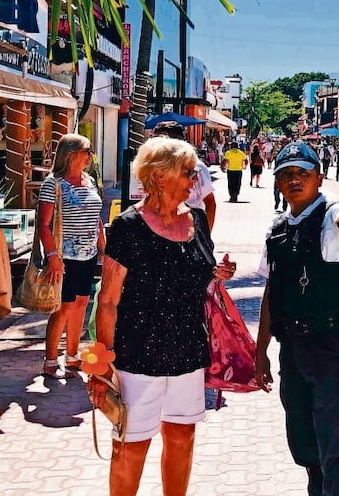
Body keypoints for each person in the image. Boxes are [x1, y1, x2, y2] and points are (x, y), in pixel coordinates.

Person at [88, 137, 236, 495]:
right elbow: (107, 300)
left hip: (187, 351)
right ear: (159, 176)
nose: (194, 181)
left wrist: (216, 273)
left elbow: (195, 272)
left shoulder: (197, 220)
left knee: (182, 437)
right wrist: (102, 363)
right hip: (137, 356)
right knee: (130, 447)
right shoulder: (128, 226)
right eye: (188, 173)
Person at [253, 143, 339, 495]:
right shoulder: (278, 230)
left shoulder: (332, 217)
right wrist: (260, 353)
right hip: (293, 348)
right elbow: (272, 292)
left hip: (333, 346)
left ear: (319, 177)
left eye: (303, 173)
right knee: (304, 442)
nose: (294, 180)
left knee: (334, 444)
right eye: (286, 174)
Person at [38, 134, 105, 379]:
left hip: (88, 254)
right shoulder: (54, 183)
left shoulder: (89, 181)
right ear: (71, 154)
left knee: (81, 304)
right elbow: (43, 224)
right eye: (87, 151)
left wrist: (103, 247)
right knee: (63, 307)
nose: (90, 156)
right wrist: (53, 256)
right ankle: (51, 359)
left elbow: (96, 215)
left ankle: (73, 355)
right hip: (65, 256)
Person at [152, 121, 217, 230]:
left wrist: (206, 237)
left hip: (188, 231)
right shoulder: (151, 166)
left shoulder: (196, 167)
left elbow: (210, 202)